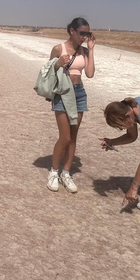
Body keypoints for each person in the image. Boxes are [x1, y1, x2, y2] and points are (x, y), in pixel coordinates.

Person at [46, 18, 96, 192]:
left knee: (73, 136)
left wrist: (90, 50)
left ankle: (65, 173)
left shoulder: (84, 51)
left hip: (79, 93)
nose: (84, 37)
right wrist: (58, 64)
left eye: (87, 34)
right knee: (65, 137)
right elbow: (47, 72)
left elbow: (89, 74)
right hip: (62, 93)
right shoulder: (59, 48)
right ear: (72, 31)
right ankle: (53, 172)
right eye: (82, 33)